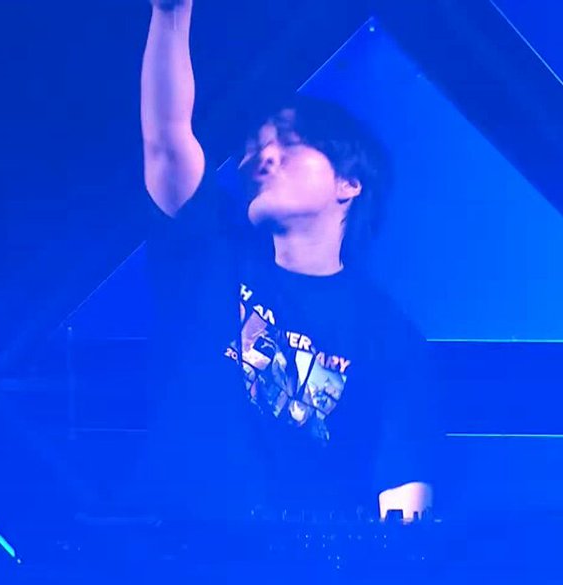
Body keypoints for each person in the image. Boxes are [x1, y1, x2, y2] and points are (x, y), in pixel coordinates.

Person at [135, 0, 439, 524]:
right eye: (253, 148)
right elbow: (166, 143)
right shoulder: (214, 252)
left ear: (349, 183)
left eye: (290, 142)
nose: (261, 157)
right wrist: (171, 14)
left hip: (297, 568)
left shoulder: (390, 336)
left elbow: (404, 491)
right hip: (165, 553)